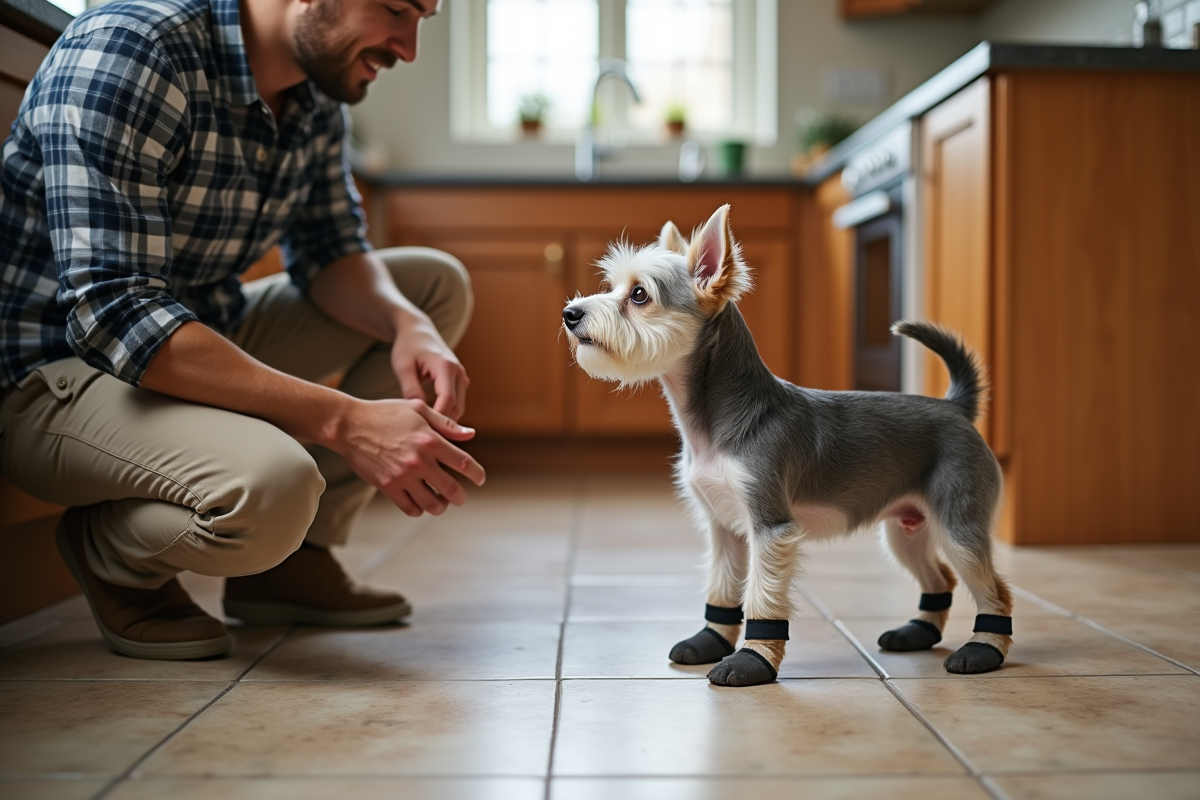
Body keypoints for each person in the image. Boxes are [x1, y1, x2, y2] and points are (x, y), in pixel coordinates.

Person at [0, 0, 486, 661]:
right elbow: (116, 317)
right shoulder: (133, 48)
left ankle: (290, 567)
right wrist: (346, 421)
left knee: (431, 286)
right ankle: (111, 553)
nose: (408, 47)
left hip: (199, 334)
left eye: (423, 17)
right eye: (395, 8)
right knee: (275, 486)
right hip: (55, 374)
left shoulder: (316, 89)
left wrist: (409, 325)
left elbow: (331, 248)